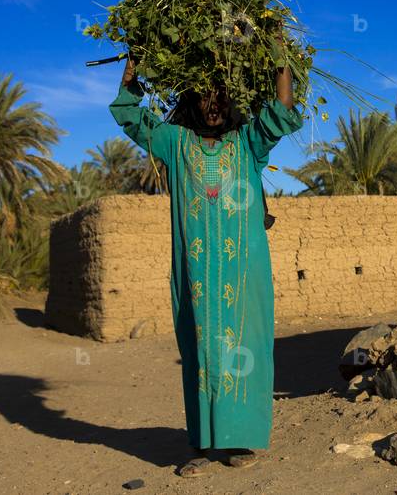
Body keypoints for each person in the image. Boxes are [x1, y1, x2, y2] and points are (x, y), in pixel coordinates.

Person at [110, 55, 302, 477]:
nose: (212, 104)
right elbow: (127, 114)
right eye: (203, 96)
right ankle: (202, 442)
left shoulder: (249, 142)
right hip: (195, 278)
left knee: (247, 348)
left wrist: (279, 57)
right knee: (200, 352)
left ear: (231, 99)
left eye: (219, 95)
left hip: (245, 274)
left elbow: (282, 110)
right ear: (191, 102)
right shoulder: (174, 144)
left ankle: (240, 440)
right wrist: (133, 68)